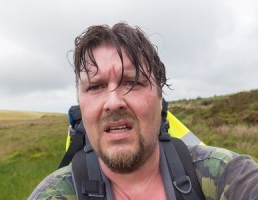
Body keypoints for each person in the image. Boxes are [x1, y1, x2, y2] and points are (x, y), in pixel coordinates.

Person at [29, 22, 258, 200]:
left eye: (131, 82)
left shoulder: (223, 173)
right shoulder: (56, 193)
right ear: (81, 103)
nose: (113, 102)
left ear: (160, 99)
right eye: (95, 86)